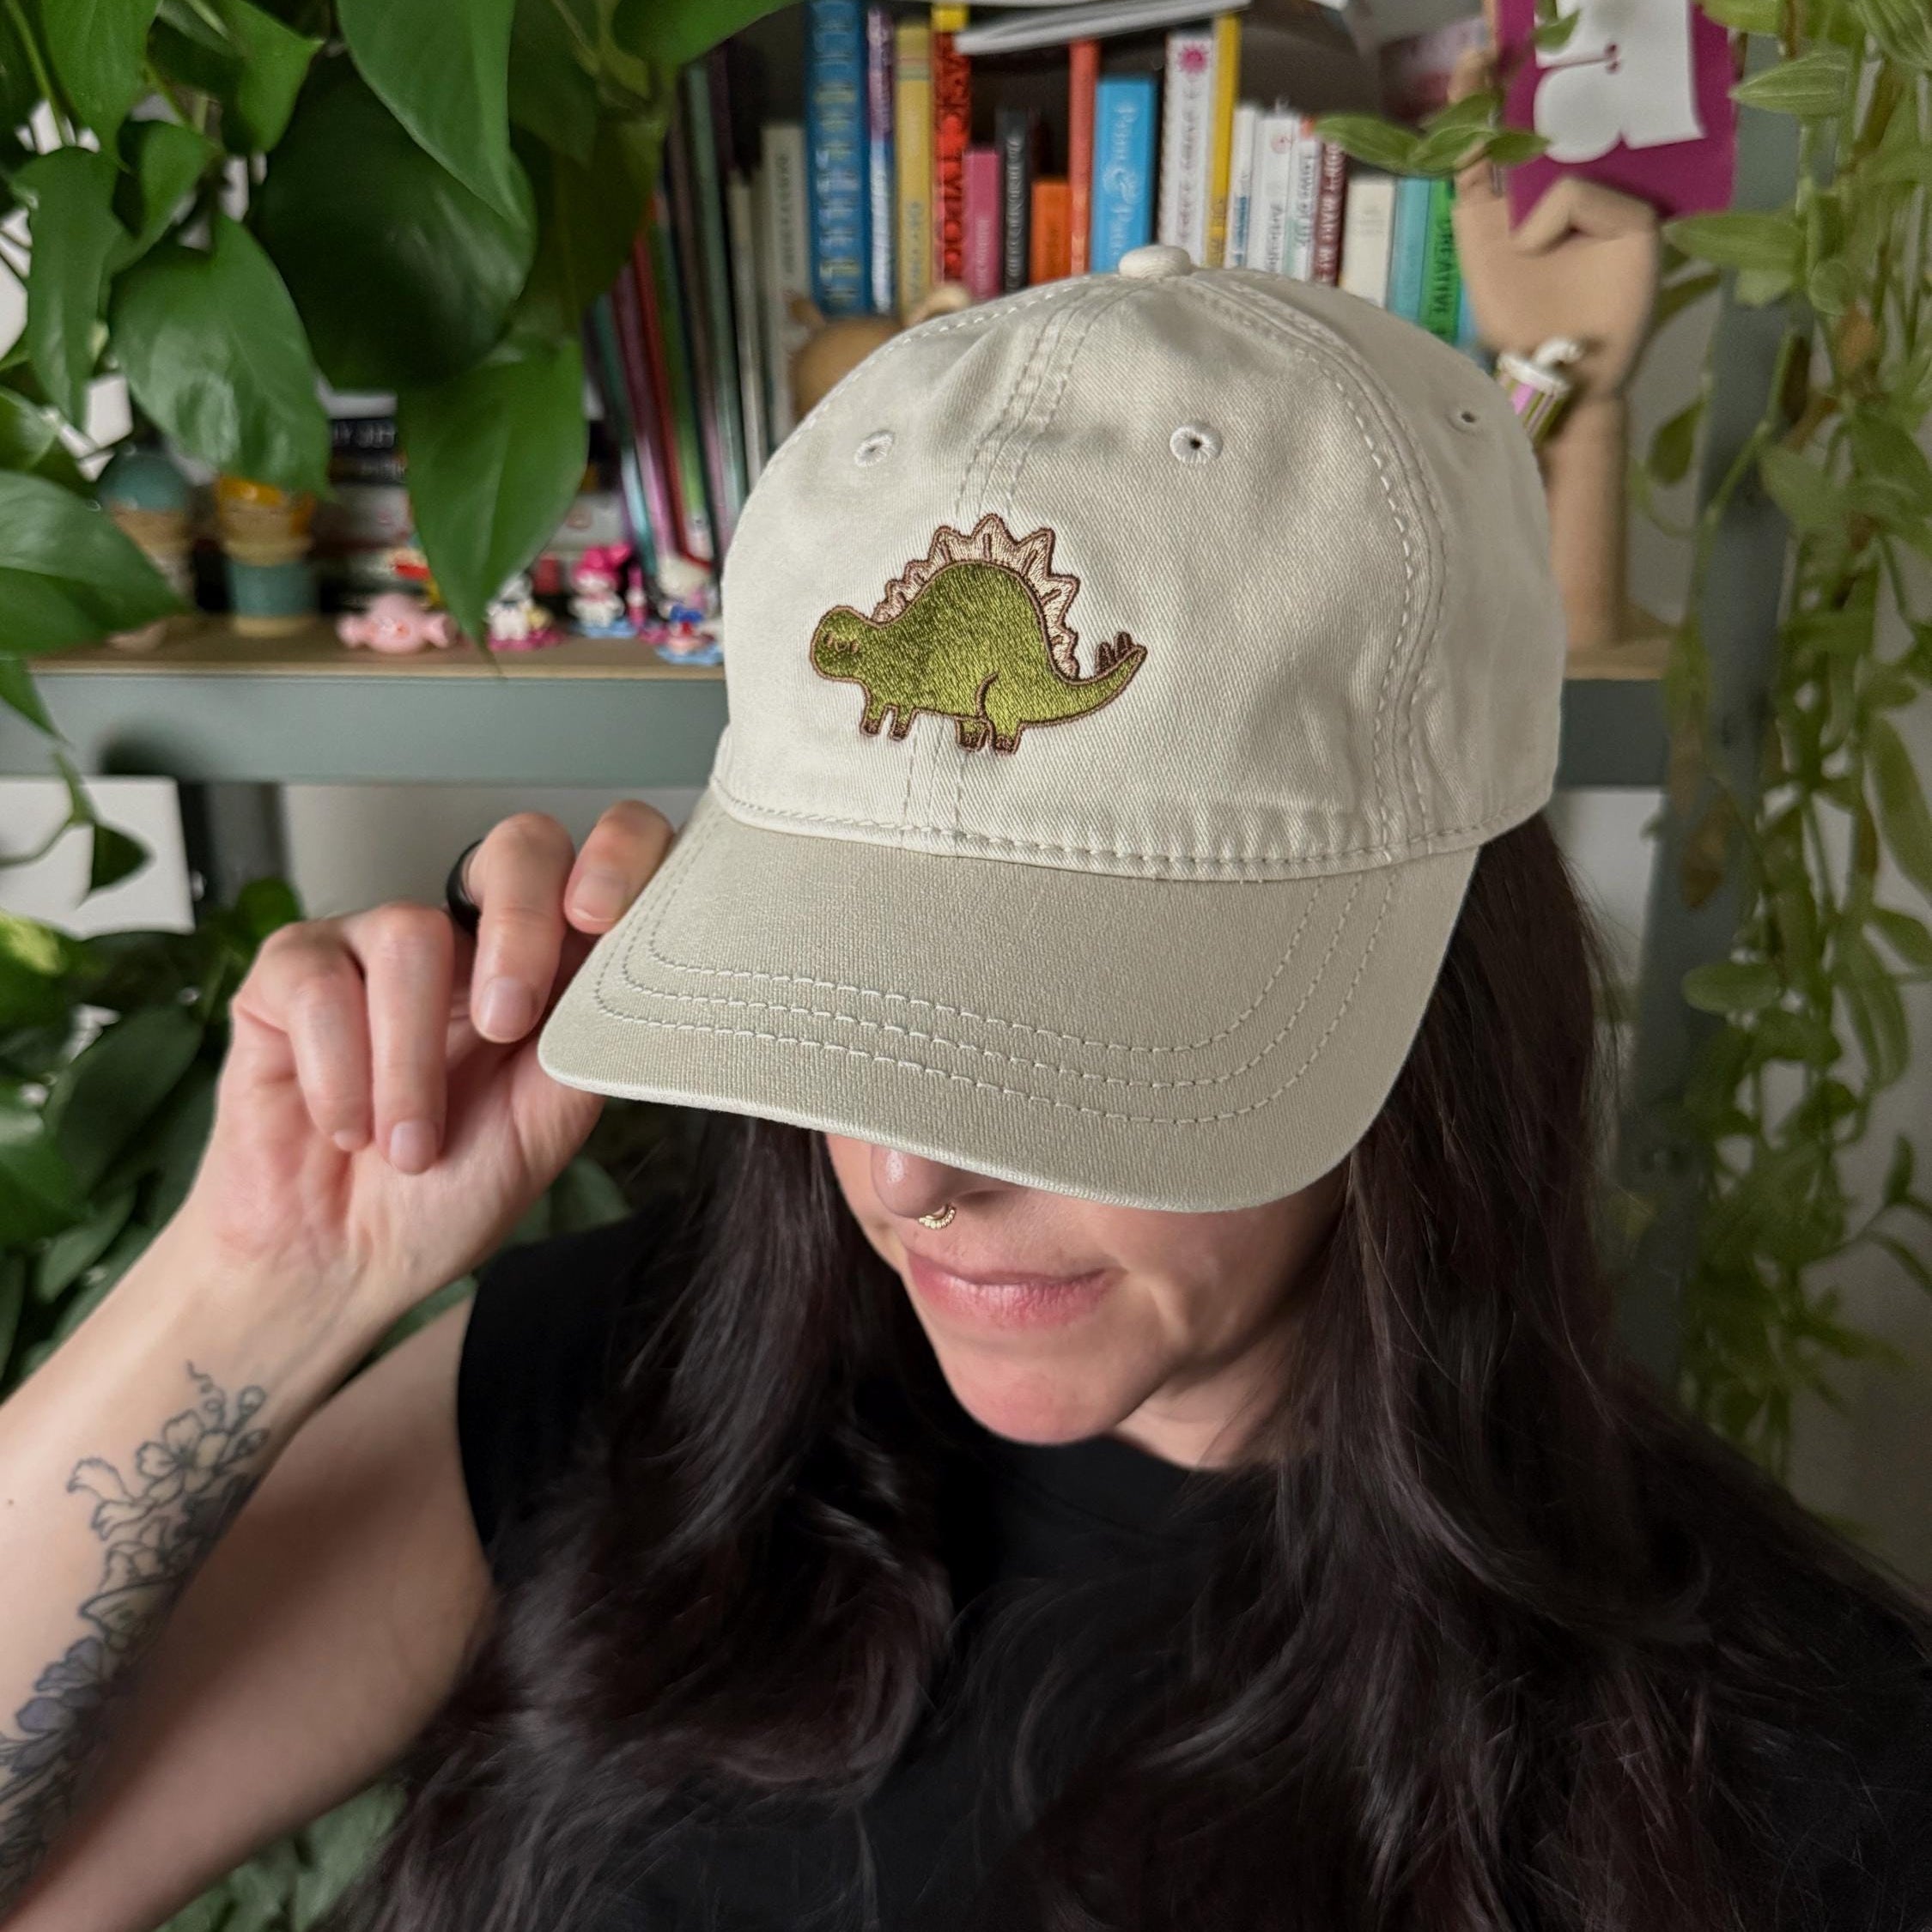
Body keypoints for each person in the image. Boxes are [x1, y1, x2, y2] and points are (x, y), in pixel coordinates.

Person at [3, 248, 1929, 1932]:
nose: (908, 1168)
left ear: (1442, 1009)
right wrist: (270, 1276)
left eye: (1061, 1030)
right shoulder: (635, 1397)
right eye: (845, 992)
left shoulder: (1783, 1777)